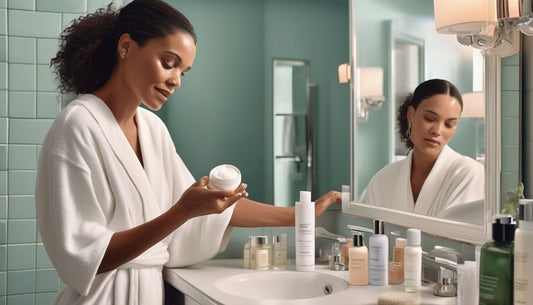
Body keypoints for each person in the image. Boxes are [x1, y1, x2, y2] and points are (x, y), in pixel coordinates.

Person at [34, 1, 341, 304]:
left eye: (183, 71)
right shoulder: (78, 125)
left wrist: (301, 214)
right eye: (168, 62)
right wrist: (183, 211)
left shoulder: (153, 130)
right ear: (126, 46)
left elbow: (208, 211)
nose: (175, 80)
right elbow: (85, 256)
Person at [363, 79, 484, 217]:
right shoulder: (383, 180)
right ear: (411, 114)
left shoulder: (468, 173)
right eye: (429, 119)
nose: (437, 131)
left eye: (449, 124)